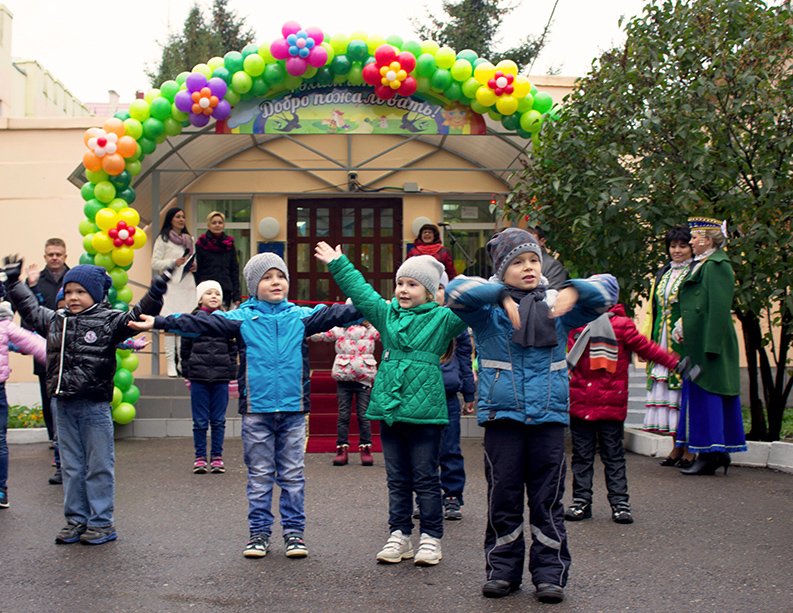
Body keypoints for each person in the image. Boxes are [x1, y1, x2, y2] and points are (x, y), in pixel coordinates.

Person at [129, 253, 360, 559]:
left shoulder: (301, 316)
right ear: (253, 286)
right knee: (260, 475)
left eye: (280, 276)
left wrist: (384, 301)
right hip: (257, 412)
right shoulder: (241, 318)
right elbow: (198, 322)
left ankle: (294, 534)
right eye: (266, 277)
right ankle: (259, 534)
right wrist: (158, 321)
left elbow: (350, 313)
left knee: (292, 475)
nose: (275, 282)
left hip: (293, 411)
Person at [445, 228, 618, 604]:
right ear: (502, 268)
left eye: (534, 260)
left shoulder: (557, 306)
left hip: (548, 421)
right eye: (518, 262)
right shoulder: (488, 311)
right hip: (503, 421)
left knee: (547, 499)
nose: (528, 268)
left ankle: (549, 574)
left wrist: (574, 288)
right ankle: (502, 572)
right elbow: (455, 291)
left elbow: (608, 290)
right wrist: (500, 295)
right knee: (503, 498)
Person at [315, 244, 467, 567]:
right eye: (400, 283)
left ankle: (431, 537)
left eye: (413, 284)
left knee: (426, 477)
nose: (403, 289)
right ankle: (399, 535)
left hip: (425, 414)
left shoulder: (443, 319)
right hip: (390, 409)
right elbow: (362, 292)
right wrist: (339, 263)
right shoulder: (386, 315)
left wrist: (464, 283)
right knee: (397, 478)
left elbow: (473, 304)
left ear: (429, 292)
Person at [4, 260, 167, 544]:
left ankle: (102, 523)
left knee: (99, 465)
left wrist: (156, 291)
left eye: (80, 291)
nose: (73, 298)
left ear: (95, 294)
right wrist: (15, 282)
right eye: (68, 292)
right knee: (71, 466)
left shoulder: (109, 320)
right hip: (62, 405)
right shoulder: (56, 320)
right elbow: (30, 310)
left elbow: (139, 314)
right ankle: (76, 521)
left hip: (94, 406)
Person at [564, 294, 681, 525]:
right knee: (582, 457)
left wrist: (675, 364)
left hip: (611, 404)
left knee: (613, 456)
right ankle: (580, 502)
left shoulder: (621, 325)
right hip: (581, 402)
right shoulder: (575, 323)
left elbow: (647, 349)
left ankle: (620, 504)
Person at [674, 217, 746, 475]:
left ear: (708, 239)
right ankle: (712, 453)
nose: (691, 242)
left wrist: (712, 346)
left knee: (710, 396)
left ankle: (712, 453)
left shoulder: (718, 265)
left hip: (709, 344)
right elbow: (697, 302)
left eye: (694, 237)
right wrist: (683, 325)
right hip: (698, 341)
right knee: (700, 396)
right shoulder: (703, 264)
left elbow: (718, 308)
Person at [641, 226, 696, 467]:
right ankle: (676, 447)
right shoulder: (663, 273)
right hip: (661, 339)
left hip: (684, 342)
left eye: (682, 245)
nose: (677, 250)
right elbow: (652, 309)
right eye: (673, 246)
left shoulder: (695, 273)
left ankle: (691, 451)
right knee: (670, 397)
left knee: (684, 396)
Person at [181, 281, 238, 475]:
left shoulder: (227, 321)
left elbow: (233, 349)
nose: (214, 296)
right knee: (199, 421)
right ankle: (199, 457)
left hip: (221, 377)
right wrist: (187, 372)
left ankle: (216, 457)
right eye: (209, 293)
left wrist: (232, 372)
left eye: (217, 293)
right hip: (198, 377)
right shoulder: (192, 320)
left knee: (218, 420)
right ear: (200, 298)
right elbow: (185, 348)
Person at [18, 239, 68, 457]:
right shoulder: (35, 281)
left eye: (58, 254)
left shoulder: (74, 278)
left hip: (70, 346)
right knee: (47, 394)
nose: (54, 257)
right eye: (50, 254)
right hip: (43, 347)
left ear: (65, 256)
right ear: (44, 256)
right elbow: (28, 311)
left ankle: (67, 436)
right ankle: (52, 437)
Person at [311, 311, 379, 467]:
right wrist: (304, 328)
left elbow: (389, 332)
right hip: (344, 377)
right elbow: (321, 335)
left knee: (363, 415)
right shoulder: (339, 329)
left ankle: (366, 447)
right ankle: (342, 448)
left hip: (364, 378)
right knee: (343, 415)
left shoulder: (371, 330)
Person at [0, 285, 47, 509]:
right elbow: (35, 344)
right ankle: (1, 490)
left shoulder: (5, 326)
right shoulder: (5, 325)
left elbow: (34, 345)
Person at [436, 272, 475, 521]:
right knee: (423, 451)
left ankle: (452, 495)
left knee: (450, 448)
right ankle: (425, 494)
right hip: (420, 398)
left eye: (442, 288)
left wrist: (469, 393)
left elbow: (465, 360)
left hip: (448, 396)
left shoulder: (456, 322)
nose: (438, 293)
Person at [151, 207, 197, 377]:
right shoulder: (163, 239)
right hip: (170, 286)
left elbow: (193, 259)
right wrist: (173, 262)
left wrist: (193, 266)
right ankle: (170, 362)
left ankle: (181, 362)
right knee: (170, 324)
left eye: (183, 216)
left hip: (186, 284)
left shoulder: (189, 239)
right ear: (170, 219)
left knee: (184, 323)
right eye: (178, 216)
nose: (181, 219)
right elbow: (154, 263)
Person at [195, 211, 241, 309]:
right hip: (206, 288)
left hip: (225, 289)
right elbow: (197, 269)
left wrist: (236, 294)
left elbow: (234, 270)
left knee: (222, 319)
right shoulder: (201, 244)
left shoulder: (229, 244)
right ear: (208, 225)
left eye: (220, 223)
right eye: (214, 223)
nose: (217, 225)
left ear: (224, 225)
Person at [530, 226, 569, 290]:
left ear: (542, 241)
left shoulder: (553, 266)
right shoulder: (515, 263)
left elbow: (554, 293)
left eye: (532, 241)